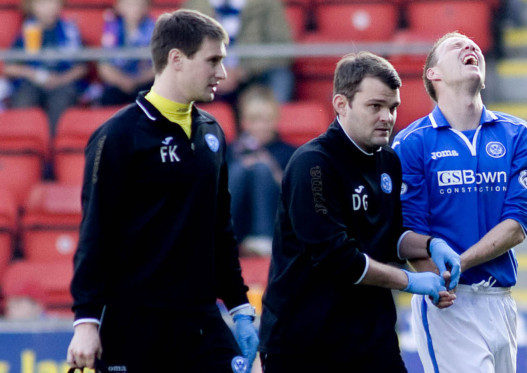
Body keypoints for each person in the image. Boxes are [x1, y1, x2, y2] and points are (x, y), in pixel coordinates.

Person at [66, 10, 258, 373]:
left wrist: (239, 307)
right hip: (135, 321)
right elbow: (96, 233)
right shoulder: (119, 136)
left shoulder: (213, 133)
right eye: (213, 60)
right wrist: (86, 321)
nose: (223, 73)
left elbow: (221, 229)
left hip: (201, 320)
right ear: (176, 60)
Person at [259, 51, 460, 373]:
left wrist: (429, 245)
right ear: (341, 104)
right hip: (306, 343)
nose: (387, 117)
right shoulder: (313, 164)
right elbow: (335, 257)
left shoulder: (388, 161)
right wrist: (408, 280)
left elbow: (387, 234)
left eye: (393, 107)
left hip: (371, 338)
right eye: (375, 106)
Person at [392, 32, 527, 373]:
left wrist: (460, 261)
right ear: (433, 74)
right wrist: (439, 283)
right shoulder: (411, 144)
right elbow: (410, 233)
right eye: (455, 46)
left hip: (501, 301)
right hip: (450, 305)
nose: (470, 46)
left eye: (473, 45)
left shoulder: (518, 134)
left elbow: (516, 225)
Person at [182, 0, 295, 104]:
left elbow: (282, 48)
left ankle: (273, 122)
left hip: (254, 74)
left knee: (280, 76)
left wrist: (243, 71)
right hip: (206, 72)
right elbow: (183, 45)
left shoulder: (267, 3)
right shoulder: (195, 4)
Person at [228, 84, 296, 256]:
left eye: (267, 119)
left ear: (276, 119)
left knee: (260, 168)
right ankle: (220, 235)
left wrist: (270, 167)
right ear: (243, 121)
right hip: (238, 223)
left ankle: (262, 238)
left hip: (274, 224)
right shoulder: (230, 151)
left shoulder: (290, 152)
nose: (261, 126)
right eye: (254, 119)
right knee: (239, 170)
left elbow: (297, 196)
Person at [3, 0, 88, 135]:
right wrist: (34, 74)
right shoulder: (26, 31)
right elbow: (9, 68)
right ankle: (27, 148)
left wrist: (60, 79)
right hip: (32, 83)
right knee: (24, 100)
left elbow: (82, 68)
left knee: (61, 102)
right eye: (42, 3)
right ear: (31, 6)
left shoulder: (70, 30)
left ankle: (55, 149)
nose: (50, 8)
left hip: (63, 83)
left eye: (53, 2)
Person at [97, 0, 156, 106]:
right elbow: (104, 66)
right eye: (129, 4)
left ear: (147, 6)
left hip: (146, 83)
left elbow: (160, 67)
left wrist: (136, 81)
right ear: (119, 6)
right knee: (108, 98)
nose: (134, 9)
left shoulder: (156, 29)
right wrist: (123, 81)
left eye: (139, 4)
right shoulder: (111, 29)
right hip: (118, 84)